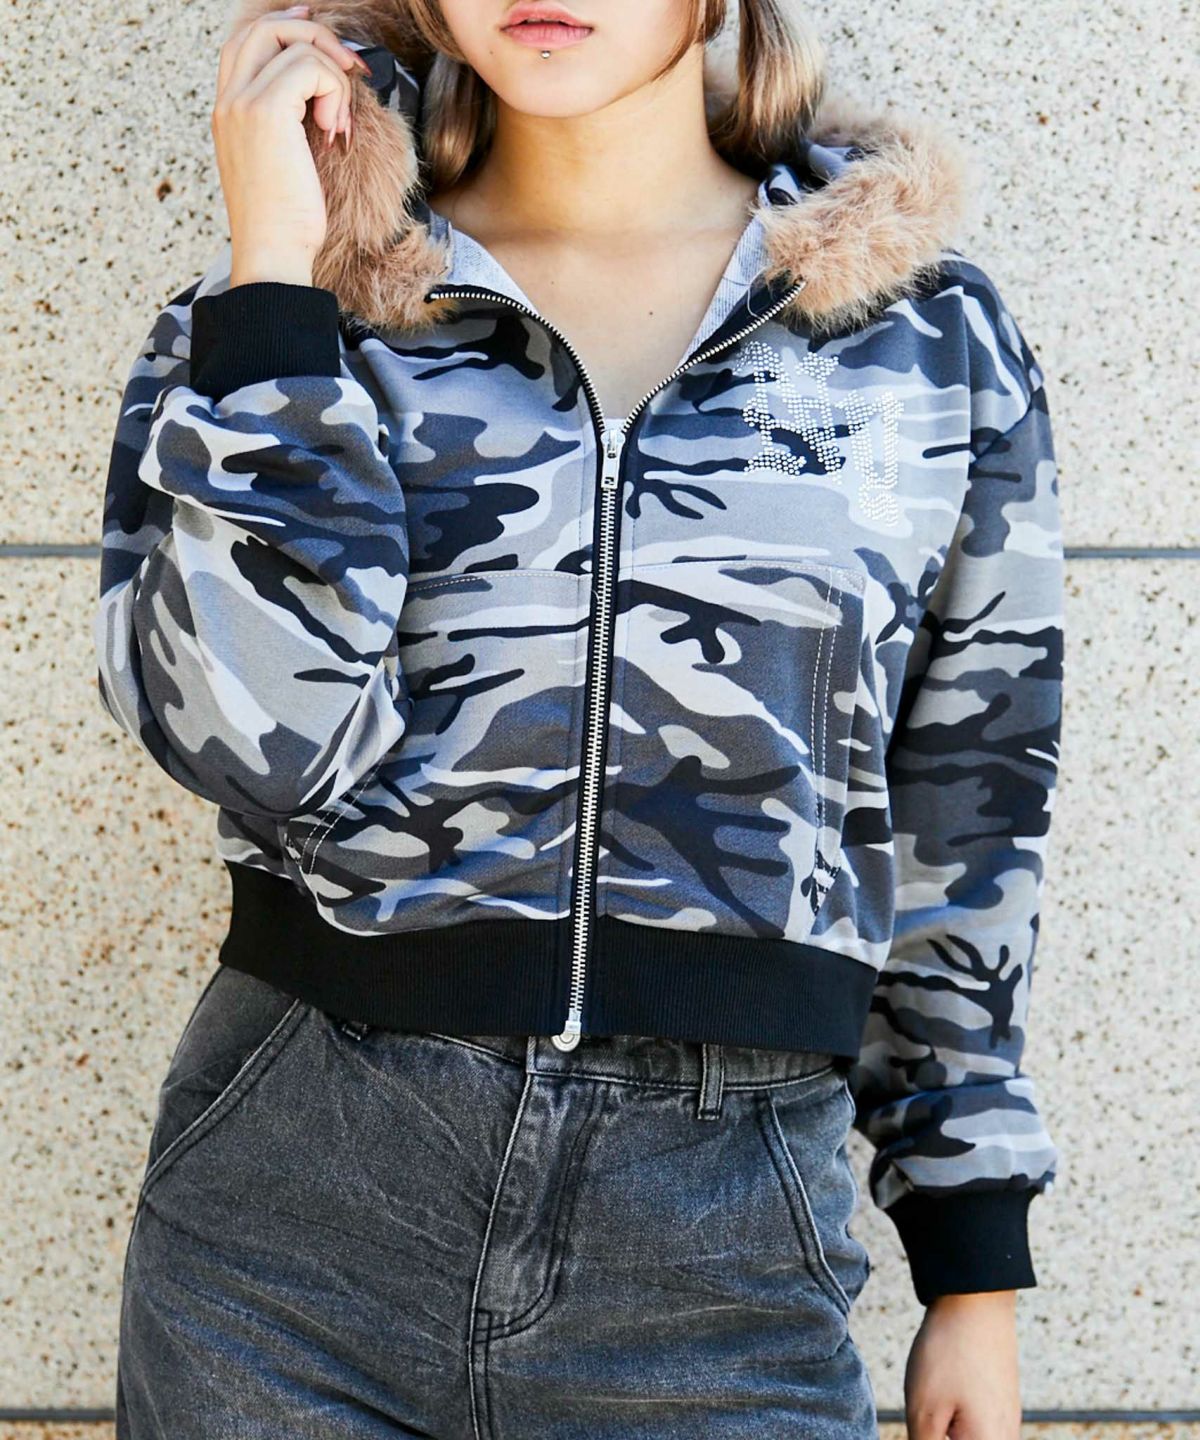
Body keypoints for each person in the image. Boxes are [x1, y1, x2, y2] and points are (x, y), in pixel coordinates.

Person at [93, 0, 1065, 1435]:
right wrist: (276, 292)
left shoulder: (922, 335)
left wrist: (971, 1259)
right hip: (294, 1227)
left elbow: (970, 798)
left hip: (724, 1243)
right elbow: (257, 746)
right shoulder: (275, 315)